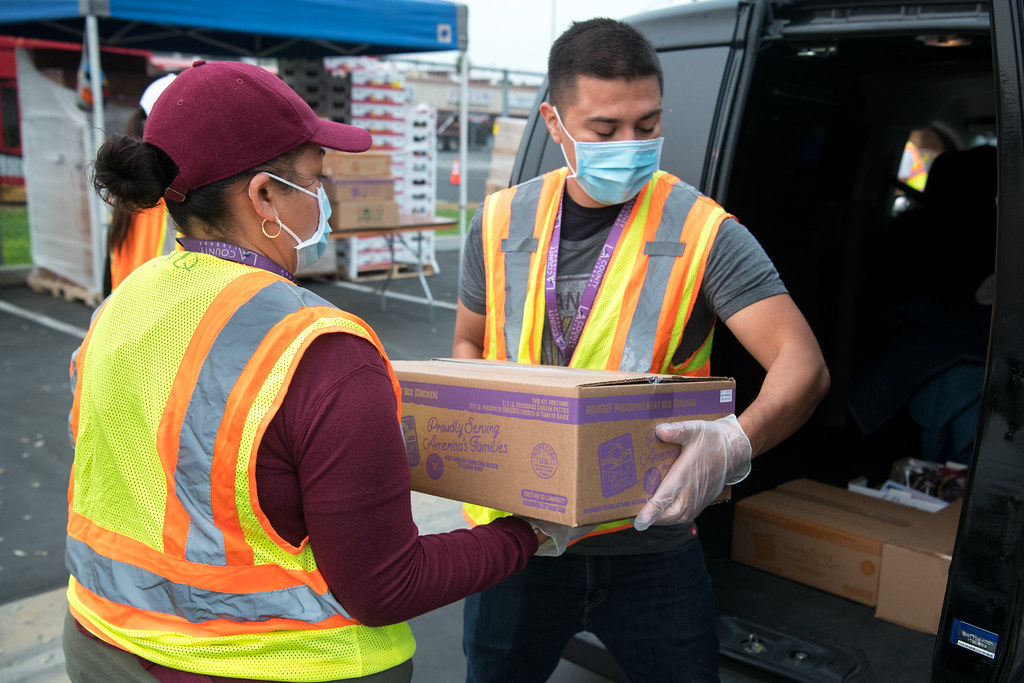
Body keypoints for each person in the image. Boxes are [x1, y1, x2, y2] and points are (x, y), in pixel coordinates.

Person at [65, 59, 587, 683]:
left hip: (100, 640)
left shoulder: (125, 303)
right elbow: (385, 586)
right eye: (314, 179)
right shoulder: (320, 350)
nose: (326, 197)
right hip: (272, 663)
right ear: (263, 196)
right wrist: (532, 531)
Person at [452, 19, 830, 682]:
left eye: (648, 124)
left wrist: (735, 442)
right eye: (604, 130)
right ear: (555, 120)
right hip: (516, 541)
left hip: (649, 547)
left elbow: (803, 364)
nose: (631, 145)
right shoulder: (500, 220)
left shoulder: (703, 230)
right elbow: (467, 339)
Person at [104, 73, 180, 295]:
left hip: (122, 314)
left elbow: (108, 269)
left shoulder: (126, 190)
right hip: (160, 317)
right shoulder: (175, 197)